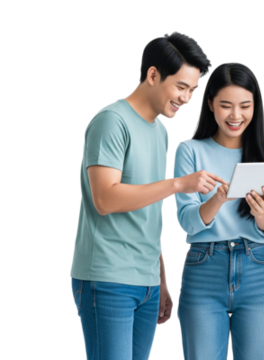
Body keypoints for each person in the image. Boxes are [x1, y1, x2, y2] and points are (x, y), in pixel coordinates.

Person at [69, 31, 215, 360]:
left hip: (145, 280)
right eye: (181, 87)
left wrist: (160, 279)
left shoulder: (160, 130)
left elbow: (147, 209)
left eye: (193, 89)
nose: (187, 98)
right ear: (153, 75)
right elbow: (105, 199)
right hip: (106, 277)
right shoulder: (111, 121)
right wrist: (178, 184)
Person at [172, 61, 264, 359]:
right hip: (204, 268)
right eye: (225, 105)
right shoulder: (189, 150)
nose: (235, 116)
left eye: (245, 106)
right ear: (210, 103)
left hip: (258, 267)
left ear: (256, 107)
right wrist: (218, 199)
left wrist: (262, 214)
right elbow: (187, 222)